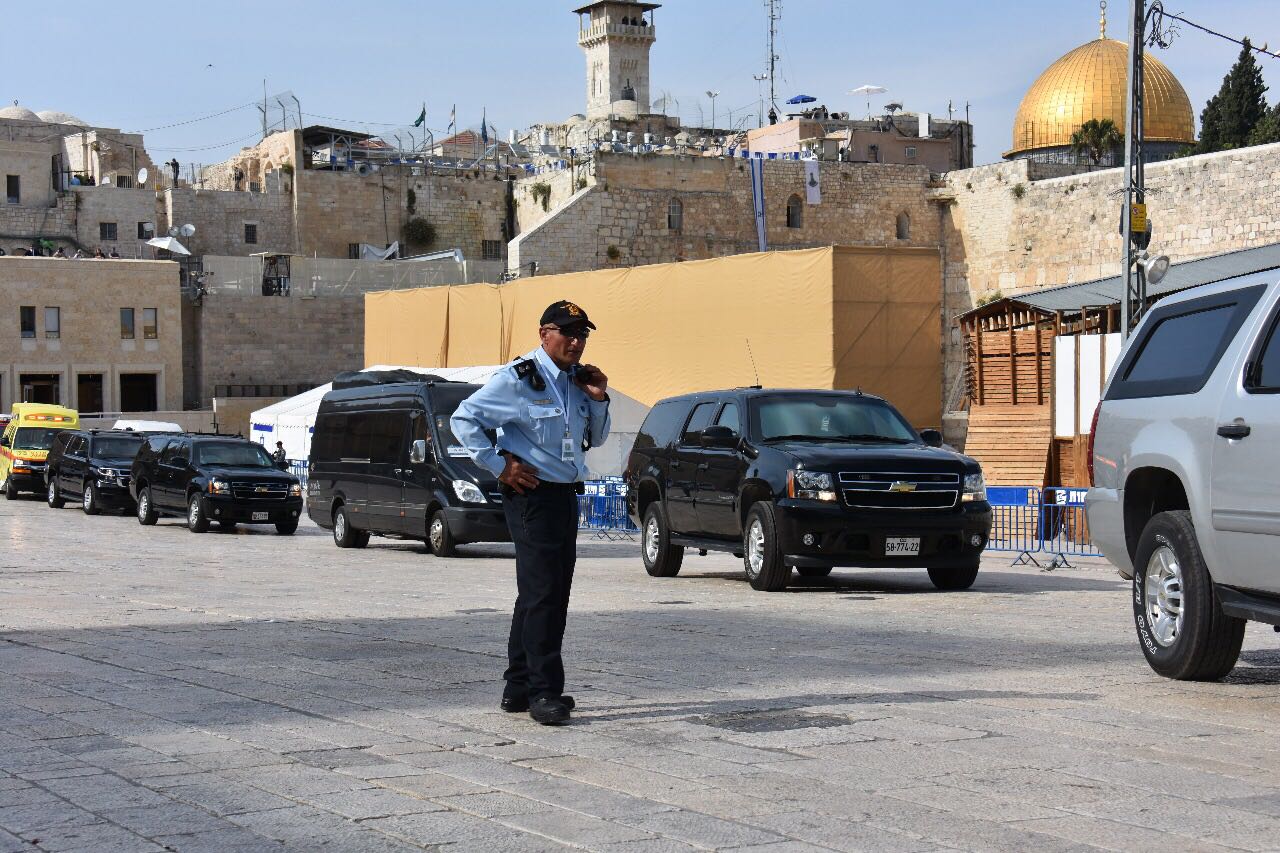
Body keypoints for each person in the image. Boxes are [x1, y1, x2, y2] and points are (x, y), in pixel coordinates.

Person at [451, 300, 611, 726]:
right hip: (532, 496)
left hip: (564, 495)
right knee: (543, 594)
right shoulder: (519, 379)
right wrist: (499, 464)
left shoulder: (576, 381)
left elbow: (594, 437)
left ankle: (519, 687)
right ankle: (544, 692)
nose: (576, 342)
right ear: (545, 334)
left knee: (546, 592)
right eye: (568, 333)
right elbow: (464, 419)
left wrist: (598, 398)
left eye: (582, 334)